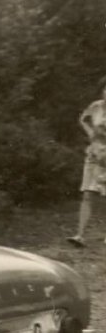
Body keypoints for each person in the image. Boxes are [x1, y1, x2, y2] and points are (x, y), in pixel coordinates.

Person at [67, 78, 106, 247]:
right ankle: (80, 235)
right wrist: (90, 132)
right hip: (94, 154)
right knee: (88, 194)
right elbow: (83, 118)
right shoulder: (96, 106)